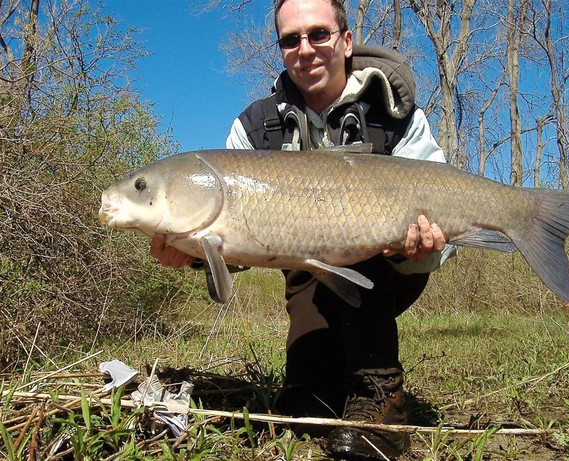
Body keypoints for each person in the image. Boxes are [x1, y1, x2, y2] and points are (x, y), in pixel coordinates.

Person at [151, 0, 455, 458]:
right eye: (291, 39)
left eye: (319, 34)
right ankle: (329, 378)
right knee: (305, 406)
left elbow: (442, 232)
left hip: (387, 271)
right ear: (280, 48)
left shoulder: (397, 113)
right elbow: (234, 239)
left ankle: (381, 400)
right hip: (307, 280)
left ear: (346, 40)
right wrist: (192, 252)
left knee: (358, 239)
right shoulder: (252, 128)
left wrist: (425, 249)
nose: (305, 49)